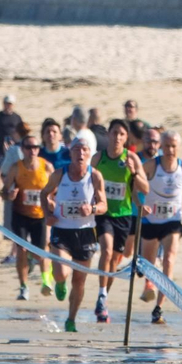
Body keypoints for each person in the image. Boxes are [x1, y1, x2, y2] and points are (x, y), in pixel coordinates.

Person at [41, 135, 107, 333]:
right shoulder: (60, 174)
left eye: (84, 150)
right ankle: (59, 281)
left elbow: (104, 205)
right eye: (77, 150)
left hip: (85, 233)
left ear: (89, 154)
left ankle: (71, 319)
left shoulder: (95, 176)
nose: (80, 153)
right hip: (62, 230)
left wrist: (92, 209)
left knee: (79, 281)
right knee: (62, 272)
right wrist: (47, 215)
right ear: (70, 153)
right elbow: (44, 193)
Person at [94, 120, 147, 324]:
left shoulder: (131, 158)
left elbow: (145, 189)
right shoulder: (99, 158)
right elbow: (84, 178)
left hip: (124, 215)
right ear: (108, 134)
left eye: (122, 134)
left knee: (116, 260)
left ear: (126, 138)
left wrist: (134, 172)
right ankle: (101, 293)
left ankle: (103, 299)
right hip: (103, 213)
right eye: (114, 133)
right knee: (106, 251)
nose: (117, 137)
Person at [139, 129, 182, 324]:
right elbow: (134, 185)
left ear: (178, 147)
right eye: (166, 146)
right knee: (149, 263)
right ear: (161, 146)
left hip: (173, 221)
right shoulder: (151, 165)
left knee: (169, 260)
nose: (170, 150)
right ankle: (149, 284)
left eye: (173, 146)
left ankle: (159, 307)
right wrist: (139, 203)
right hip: (151, 220)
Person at [3, 131, 52, 300]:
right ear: (22, 149)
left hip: (40, 216)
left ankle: (46, 282)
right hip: (20, 215)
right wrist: (10, 194)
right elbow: (4, 192)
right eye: (29, 147)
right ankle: (23, 287)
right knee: (21, 250)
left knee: (42, 250)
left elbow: (55, 190)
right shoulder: (16, 168)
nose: (33, 150)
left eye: (36, 147)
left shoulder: (46, 167)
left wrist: (52, 201)